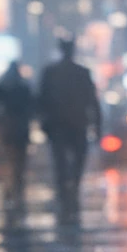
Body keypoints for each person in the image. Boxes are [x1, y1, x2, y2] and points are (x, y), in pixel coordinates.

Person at [38, 39, 100, 222]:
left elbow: (41, 101)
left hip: (60, 125)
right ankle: (71, 191)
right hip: (75, 125)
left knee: (61, 163)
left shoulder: (51, 73)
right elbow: (92, 101)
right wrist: (97, 126)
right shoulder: (81, 73)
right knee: (75, 162)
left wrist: (43, 122)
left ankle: (65, 192)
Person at [0, 61, 34, 206]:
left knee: (9, 160)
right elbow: (34, 107)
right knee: (19, 161)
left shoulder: (3, 88)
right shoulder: (23, 88)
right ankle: (16, 188)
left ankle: (10, 189)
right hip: (20, 128)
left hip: (9, 128)